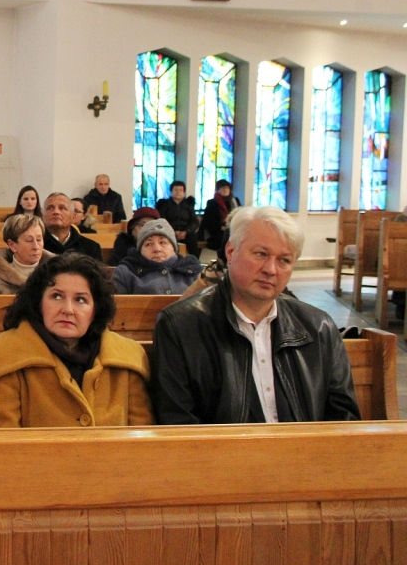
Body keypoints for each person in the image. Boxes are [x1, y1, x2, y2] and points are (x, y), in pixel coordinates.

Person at [150, 206, 360, 425]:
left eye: (284, 260)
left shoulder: (319, 327)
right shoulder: (180, 325)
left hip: (304, 455)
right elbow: (178, 423)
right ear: (231, 252)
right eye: (261, 254)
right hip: (223, 456)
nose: (271, 269)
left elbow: (344, 420)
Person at [0, 253, 154, 428]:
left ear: (96, 309)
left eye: (80, 300)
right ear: (38, 302)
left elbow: (141, 444)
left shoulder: (127, 357)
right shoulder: (3, 355)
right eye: (57, 296)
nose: (68, 310)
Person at [111, 219, 202, 294]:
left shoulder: (192, 269)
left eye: (163, 243)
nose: (157, 249)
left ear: (174, 248)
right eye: (149, 244)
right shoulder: (125, 273)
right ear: (140, 250)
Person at [0, 214, 55, 295]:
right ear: (12, 245)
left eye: (39, 239)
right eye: (29, 240)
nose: (36, 246)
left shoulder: (57, 271)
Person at [42, 192, 102, 259]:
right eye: (50, 208)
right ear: (42, 216)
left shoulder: (91, 247)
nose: (56, 212)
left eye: (62, 208)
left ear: (73, 217)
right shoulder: (35, 246)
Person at [155, 180, 200, 260]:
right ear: (171, 191)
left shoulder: (188, 205)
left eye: (180, 190)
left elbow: (194, 222)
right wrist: (173, 232)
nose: (178, 192)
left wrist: (186, 232)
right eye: (175, 190)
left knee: (193, 239)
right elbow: (162, 221)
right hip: (169, 232)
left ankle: (194, 262)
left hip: (186, 233)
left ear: (184, 192)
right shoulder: (165, 205)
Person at [200, 179, 240, 251]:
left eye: (227, 188)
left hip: (235, 227)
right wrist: (221, 226)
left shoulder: (235, 201)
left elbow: (240, 214)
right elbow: (209, 220)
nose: (225, 190)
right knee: (225, 237)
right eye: (222, 188)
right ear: (218, 190)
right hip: (218, 230)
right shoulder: (212, 203)